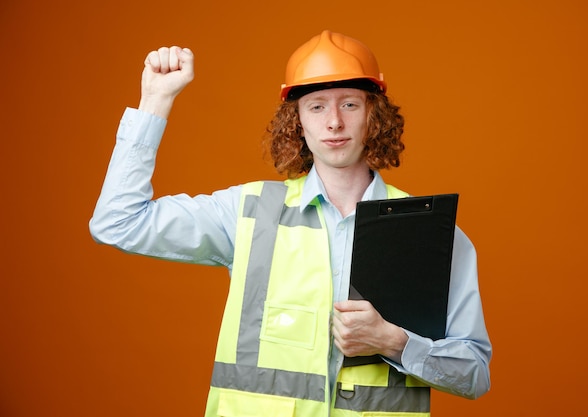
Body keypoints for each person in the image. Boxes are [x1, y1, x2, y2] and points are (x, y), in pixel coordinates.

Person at [90, 30, 491, 417]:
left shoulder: (428, 230)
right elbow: (118, 222)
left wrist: (395, 342)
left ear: (374, 115)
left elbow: (474, 373)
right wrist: (154, 102)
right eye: (316, 106)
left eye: (349, 104)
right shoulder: (248, 212)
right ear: (297, 120)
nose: (334, 122)